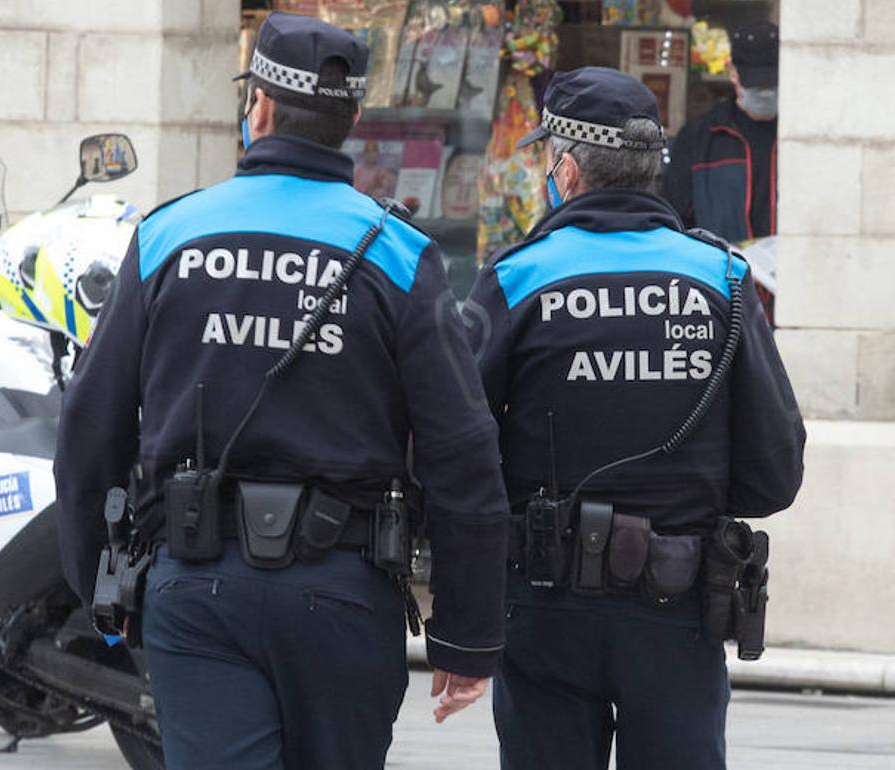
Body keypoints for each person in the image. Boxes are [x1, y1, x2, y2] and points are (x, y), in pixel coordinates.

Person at [55, 12, 510, 770]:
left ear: (258, 106)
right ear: (351, 122)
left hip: (195, 588)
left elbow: (89, 429)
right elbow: (461, 452)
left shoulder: (168, 237)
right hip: (342, 595)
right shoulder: (400, 253)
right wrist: (466, 633)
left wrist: (98, 585)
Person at [465, 66, 805, 769]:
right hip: (677, 607)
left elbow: (456, 445)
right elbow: (774, 474)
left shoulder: (516, 277)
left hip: (545, 606)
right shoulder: (722, 278)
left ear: (566, 169)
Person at [663, 22, 779, 243]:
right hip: (721, 264)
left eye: (772, 86)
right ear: (732, 72)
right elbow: (675, 223)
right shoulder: (699, 138)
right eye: (756, 86)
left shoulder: (803, 140)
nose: (765, 94)